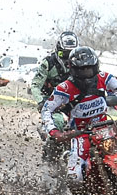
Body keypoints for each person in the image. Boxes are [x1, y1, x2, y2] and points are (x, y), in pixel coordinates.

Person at [41, 46, 117, 195]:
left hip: (107, 128)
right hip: (81, 133)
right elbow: (47, 109)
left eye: (89, 69)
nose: (86, 74)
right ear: (73, 69)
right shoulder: (64, 88)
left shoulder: (104, 78)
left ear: (95, 67)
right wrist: (53, 131)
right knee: (74, 176)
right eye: (82, 70)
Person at [31, 31, 80, 163]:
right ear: (58, 50)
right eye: (63, 54)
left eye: (70, 54)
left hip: (73, 102)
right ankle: (49, 156)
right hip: (52, 102)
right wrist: (41, 101)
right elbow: (35, 84)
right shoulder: (48, 63)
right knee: (58, 123)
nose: (67, 57)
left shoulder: (81, 64)